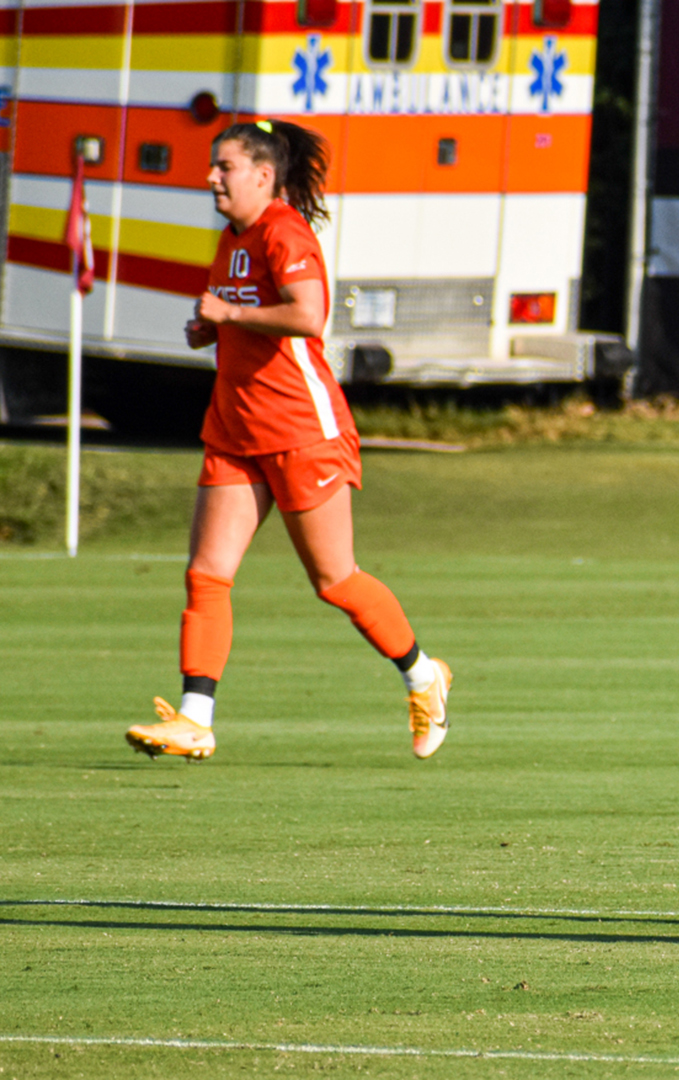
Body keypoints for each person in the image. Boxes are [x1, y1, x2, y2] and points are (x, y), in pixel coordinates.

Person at [126, 119, 451, 762]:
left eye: (224, 167)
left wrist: (230, 313)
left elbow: (308, 314)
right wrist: (212, 330)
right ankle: (195, 720)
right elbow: (247, 318)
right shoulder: (232, 238)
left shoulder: (283, 231)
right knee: (207, 574)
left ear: (263, 174)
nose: (211, 178)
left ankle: (423, 676)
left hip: (302, 431)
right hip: (235, 428)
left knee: (334, 580)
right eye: (213, 166)